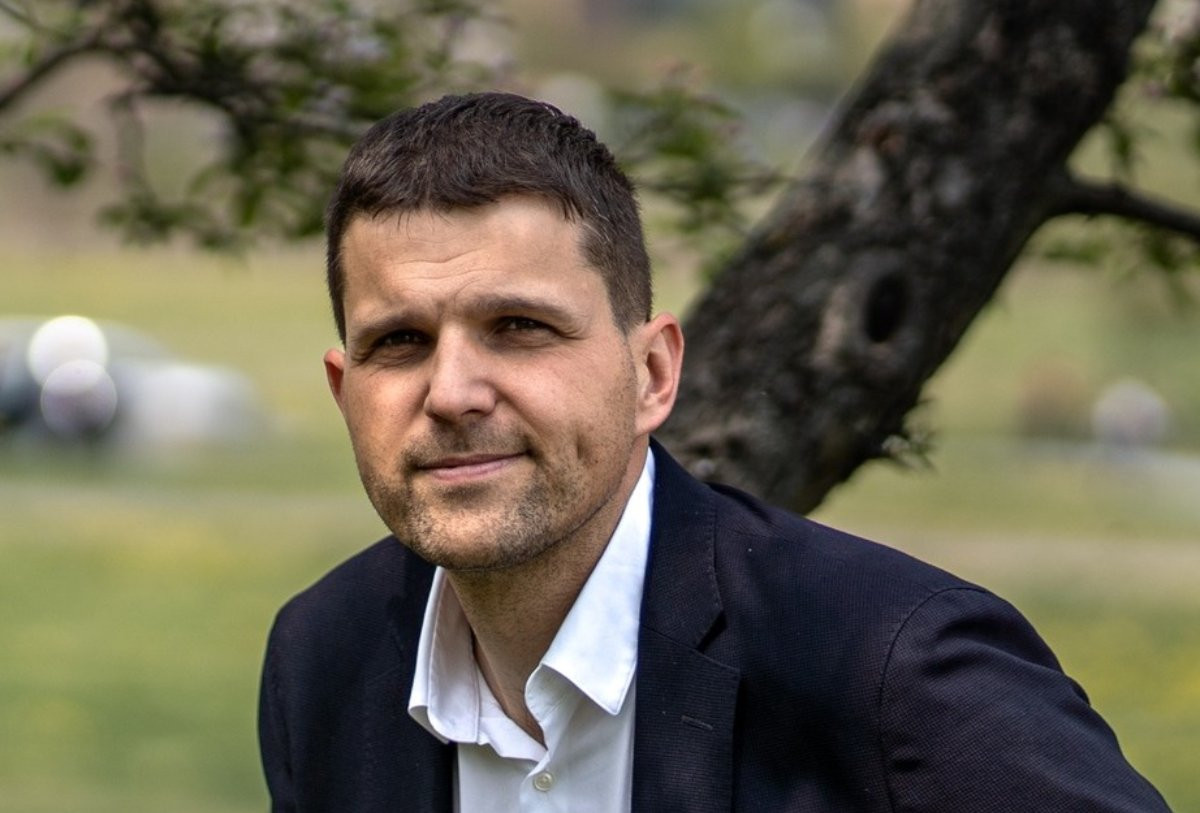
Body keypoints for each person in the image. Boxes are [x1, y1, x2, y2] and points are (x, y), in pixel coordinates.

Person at [258, 92, 1169, 812]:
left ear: (653, 373)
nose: (452, 392)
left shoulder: (899, 671)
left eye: (519, 326)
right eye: (400, 342)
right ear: (345, 390)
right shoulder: (323, 660)